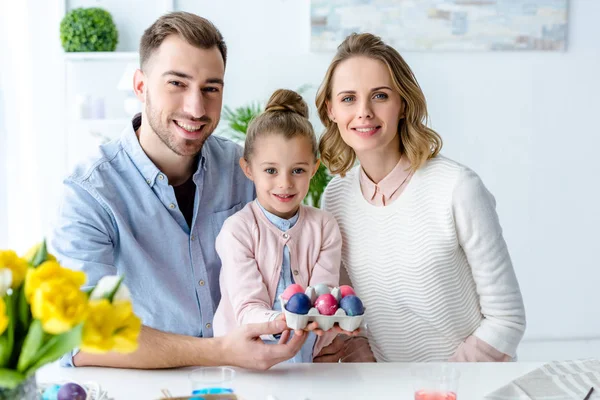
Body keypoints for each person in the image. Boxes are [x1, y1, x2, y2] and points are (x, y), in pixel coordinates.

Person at [51, 12, 308, 370]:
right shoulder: (90, 193)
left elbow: (297, 260)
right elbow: (79, 337)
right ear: (141, 86)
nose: (196, 108)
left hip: (252, 383)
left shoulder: (245, 171)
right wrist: (219, 351)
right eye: (177, 83)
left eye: (211, 88)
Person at [315, 32, 527, 362]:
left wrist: (440, 388)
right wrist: (370, 371)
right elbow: (351, 316)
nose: (364, 112)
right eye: (347, 99)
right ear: (330, 110)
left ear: (403, 104)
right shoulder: (335, 197)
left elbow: (507, 320)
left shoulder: (458, 187)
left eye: (380, 95)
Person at [213, 89, 350, 363]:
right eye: (271, 170)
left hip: (311, 361)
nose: (285, 183)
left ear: (314, 168)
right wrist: (291, 320)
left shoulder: (324, 227)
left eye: (298, 170)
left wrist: (327, 318)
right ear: (248, 168)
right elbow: (248, 307)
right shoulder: (237, 230)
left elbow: (323, 296)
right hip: (247, 362)